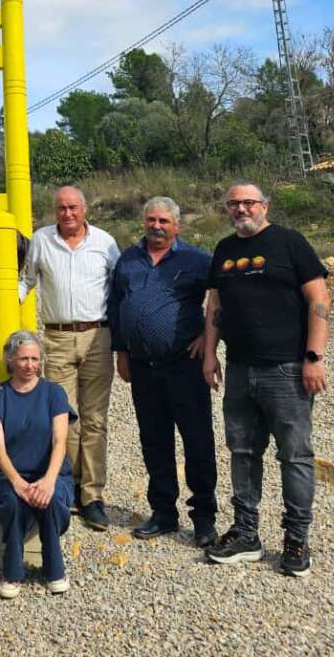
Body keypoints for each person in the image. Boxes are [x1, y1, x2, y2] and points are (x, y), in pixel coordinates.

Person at [202, 181, 329, 577]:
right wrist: (209, 354)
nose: (241, 209)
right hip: (239, 369)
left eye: (248, 202)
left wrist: (314, 357)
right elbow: (215, 306)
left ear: (264, 206)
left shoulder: (290, 243)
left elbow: (319, 299)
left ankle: (296, 538)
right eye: (233, 204)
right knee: (242, 453)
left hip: (287, 370)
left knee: (294, 456)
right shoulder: (224, 250)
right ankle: (245, 532)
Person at [109, 197, 218, 547]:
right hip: (143, 369)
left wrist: (208, 338)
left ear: (177, 226)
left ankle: (203, 518)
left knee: (197, 442)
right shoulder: (128, 260)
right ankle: (163, 513)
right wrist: (121, 351)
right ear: (143, 222)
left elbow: (224, 299)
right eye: (151, 220)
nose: (157, 226)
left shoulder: (197, 260)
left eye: (164, 221)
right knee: (154, 442)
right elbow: (115, 305)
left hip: (184, 367)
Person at [19, 185, 120, 531]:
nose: (67, 214)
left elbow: (120, 286)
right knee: (64, 417)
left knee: (94, 419)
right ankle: (69, 484)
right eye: (61, 208)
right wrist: (5, 313)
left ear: (85, 208)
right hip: (57, 336)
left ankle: (92, 495)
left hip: (98, 335)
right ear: (54, 210)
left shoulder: (105, 242)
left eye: (73, 207)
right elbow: (27, 281)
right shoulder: (42, 240)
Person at [0, 330, 77, 599]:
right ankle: (12, 569)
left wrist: (47, 481)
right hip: (7, 474)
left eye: (35, 359)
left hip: (51, 472)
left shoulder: (54, 393)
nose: (30, 365)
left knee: (52, 497)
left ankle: (53, 566)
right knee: (13, 500)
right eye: (24, 358)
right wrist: (18, 483)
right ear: (10, 359)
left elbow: (60, 442)